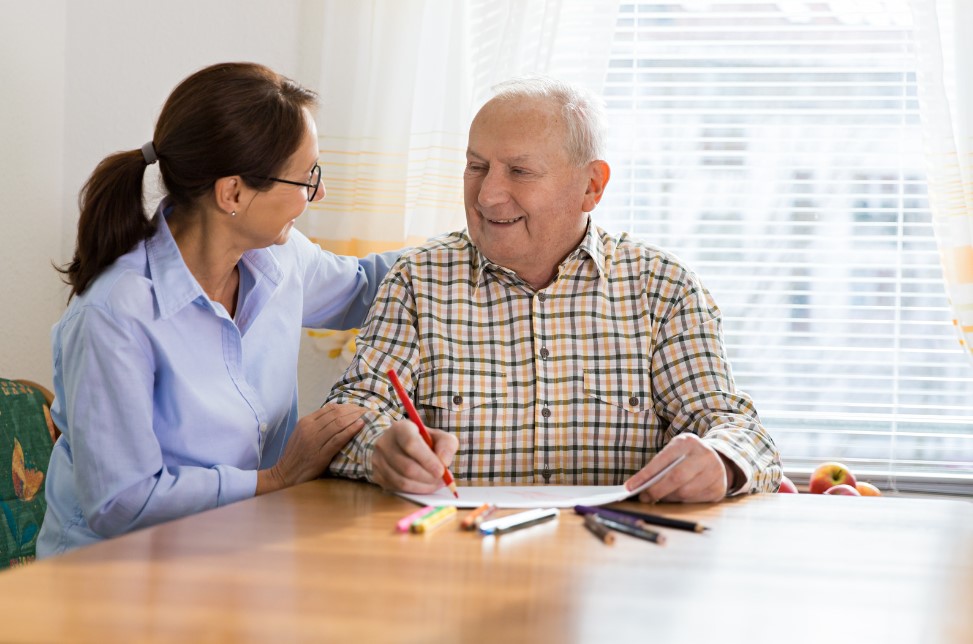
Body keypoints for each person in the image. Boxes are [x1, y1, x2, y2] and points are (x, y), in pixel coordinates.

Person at [326, 76, 781, 503]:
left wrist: (721, 461)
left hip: (614, 563)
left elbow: (737, 429)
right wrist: (378, 449)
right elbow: (347, 419)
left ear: (591, 187)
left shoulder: (663, 289)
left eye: (520, 172)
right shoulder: (415, 280)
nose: (487, 195)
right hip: (455, 559)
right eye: (477, 167)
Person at [37, 62, 399, 556]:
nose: (317, 192)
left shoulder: (278, 257)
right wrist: (275, 478)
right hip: (114, 578)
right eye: (305, 177)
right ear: (233, 193)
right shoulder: (115, 312)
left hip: (235, 555)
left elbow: (368, 287)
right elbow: (122, 500)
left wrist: (475, 239)